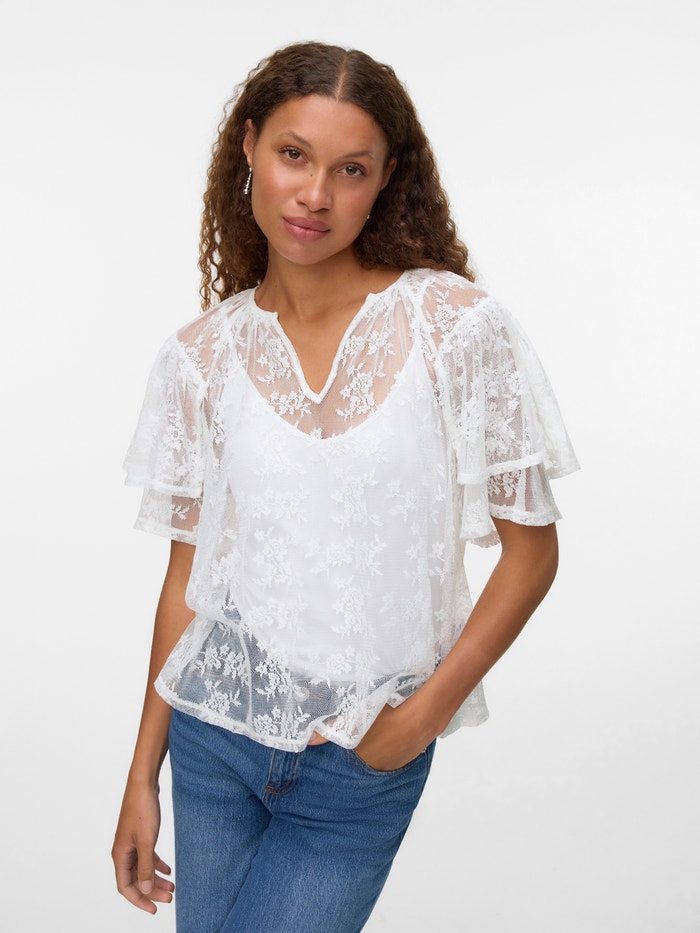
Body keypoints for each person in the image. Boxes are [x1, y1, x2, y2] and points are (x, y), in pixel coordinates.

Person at [111, 40, 579, 933]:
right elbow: (187, 581)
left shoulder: (454, 328)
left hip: (358, 765)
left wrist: (417, 721)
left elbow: (532, 553)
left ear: (385, 179)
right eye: (294, 154)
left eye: (350, 169)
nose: (316, 194)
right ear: (249, 146)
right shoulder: (201, 358)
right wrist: (142, 775)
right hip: (213, 741)